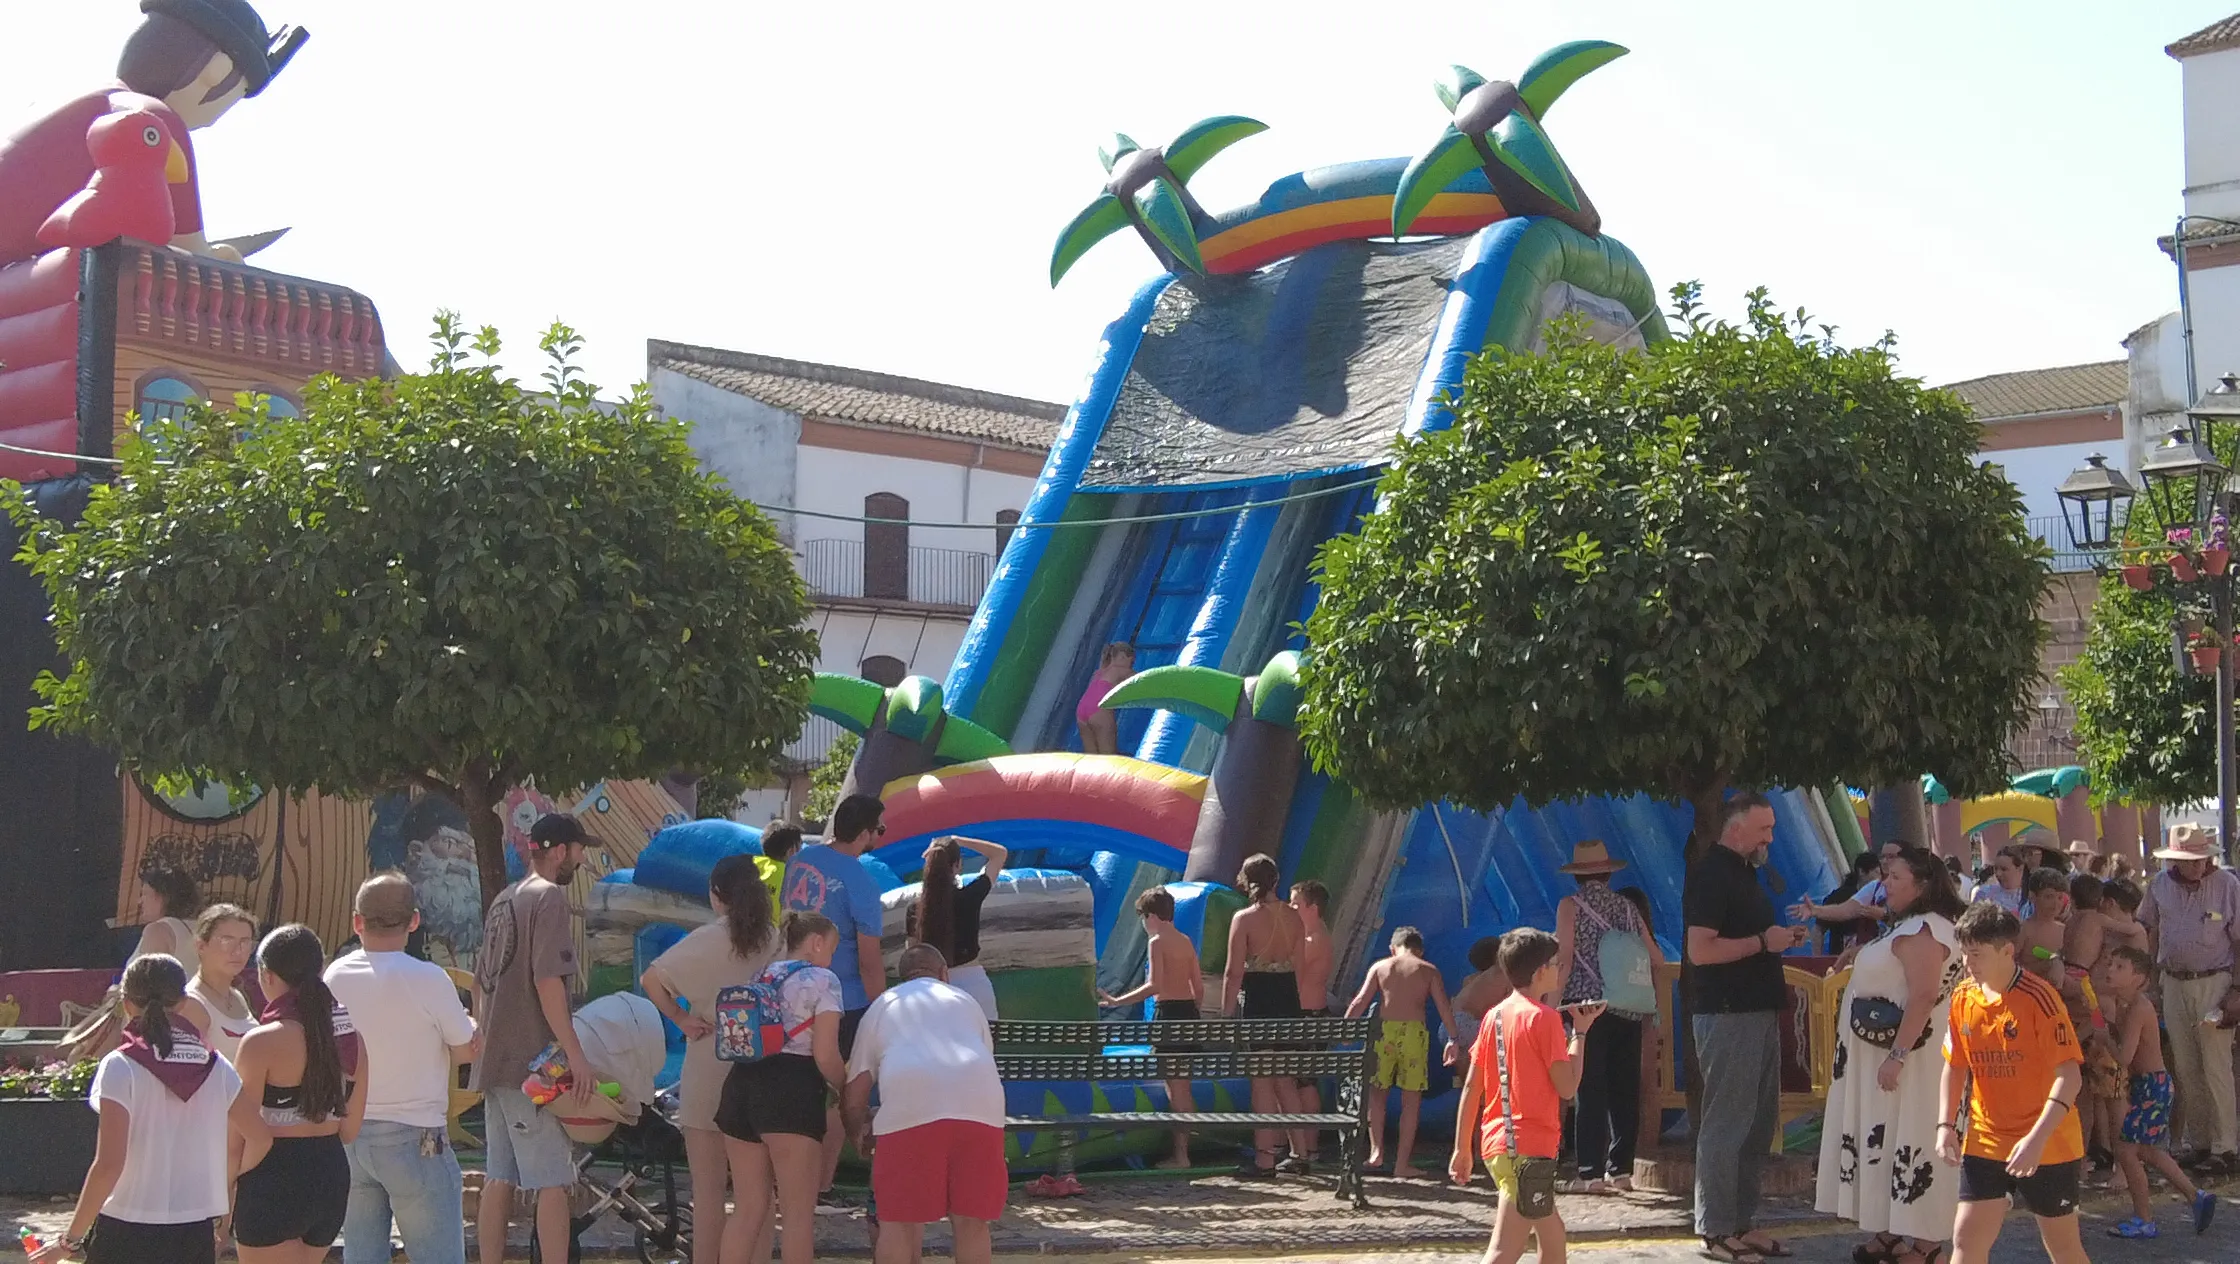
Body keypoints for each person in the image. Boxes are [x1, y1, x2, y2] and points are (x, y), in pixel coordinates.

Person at [0, 0, 305, 270]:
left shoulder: (66, 100)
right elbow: (190, 252)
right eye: (235, 96)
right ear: (217, 71)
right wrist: (218, 257)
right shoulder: (152, 120)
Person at [28, 954, 265, 1264]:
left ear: (126, 1004)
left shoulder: (121, 1066)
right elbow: (260, 1137)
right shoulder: (215, 1065)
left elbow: (109, 1164)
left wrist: (69, 1240)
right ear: (183, 1003)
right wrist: (220, 1181)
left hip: (126, 1226)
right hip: (193, 1228)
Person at [1814, 847, 1965, 1264]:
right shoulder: (1911, 925)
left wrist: (1897, 1055)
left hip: (1911, 1060)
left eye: (1895, 876)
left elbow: (1922, 996)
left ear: (1922, 883)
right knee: (1888, 1136)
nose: (1886, 884)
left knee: (1912, 1138)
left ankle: (1926, 1241)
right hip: (1886, 1055)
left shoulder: (1926, 930)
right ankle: (1894, 1229)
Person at [323, 875, 478, 1264]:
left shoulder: (334, 976)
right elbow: (464, 1053)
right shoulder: (429, 978)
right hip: (416, 1136)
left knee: (361, 1254)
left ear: (357, 922)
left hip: (351, 1135)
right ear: (414, 921)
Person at [473, 813, 606, 1264]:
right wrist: (576, 1056)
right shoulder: (548, 899)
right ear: (558, 850)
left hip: (496, 1060)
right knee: (552, 1180)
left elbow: (480, 983)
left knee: (498, 1176)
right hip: (533, 1067)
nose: (582, 858)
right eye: (578, 849)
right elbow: (549, 982)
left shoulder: (504, 900)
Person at [1684, 792, 1805, 1264]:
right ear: (1736, 830)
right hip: (1728, 1014)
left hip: (1755, 1010)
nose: (1770, 838)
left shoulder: (1742, 872)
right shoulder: (1712, 874)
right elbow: (1701, 951)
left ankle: (1742, 1223)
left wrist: (1773, 942)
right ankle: (1716, 1230)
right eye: (1764, 829)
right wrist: (1763, 941)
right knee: (1727, 1124)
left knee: (1756, 1126)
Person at [643, 854, 781, 1264]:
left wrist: (682, 1018)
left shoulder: (705, 939)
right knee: (759, 1195)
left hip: (708, 1068)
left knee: (707, 1195)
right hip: (764, 1071)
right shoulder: (778, 938)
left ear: (717, 895)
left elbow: (652, 980)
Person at [1936, 903, 2087, 1264]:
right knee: (1966, 1240)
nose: (1968, 963)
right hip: (1986, 1137)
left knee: (2063, 1247)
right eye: (1964, 953)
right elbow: (1954, 1066)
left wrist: (2035, 1141)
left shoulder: (2040, 998)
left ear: (2007, 951)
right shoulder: (1962, 996)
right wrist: (1945, 1125)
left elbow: (2070, 1077)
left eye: (1976, 954)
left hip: (2048, 1141)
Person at [842, 944, 1007, 1264]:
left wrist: (857, 1133)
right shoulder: (968, 1002)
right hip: (981, 1109)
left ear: (900, 979)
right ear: (944, 975)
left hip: (909, 1109)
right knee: (973, 1224)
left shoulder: (884, 1004)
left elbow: (856, 1090)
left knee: (898, 1225)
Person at [1448, 929, 1604, 1264]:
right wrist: (1579, 1034)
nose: (1560, 969)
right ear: (1539, 973)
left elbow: (1473, 1086)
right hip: (1529, 1149)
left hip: (1499, 1145)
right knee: (1505, 1249)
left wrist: (1462, 1147)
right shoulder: (1544, 1019)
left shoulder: (1495, 1016)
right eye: (1555, 964)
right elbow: (1567, 1087)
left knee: (1552, 1233)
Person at [716, 912, 847, 1264]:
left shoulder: (763, 974)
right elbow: (825, 1054)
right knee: (797, 1217)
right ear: (817, 943)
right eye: (831, 949)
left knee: (747, 1209)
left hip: (741, 1086)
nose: (831, 958)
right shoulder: (824, 980)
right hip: (792, 1091)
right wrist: (845, 1085)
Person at [232, 924, 367, 1262]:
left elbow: (238, 1133)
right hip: (330, 1174)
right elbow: (349, 1131)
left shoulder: (261, 1042)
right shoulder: (352, 1039)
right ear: (320, 970)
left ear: (266, 974)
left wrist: (227, 1190)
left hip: (272, 1177)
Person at [782, 793, 890, 1192]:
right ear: (864, 833)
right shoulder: (861, 881)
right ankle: (820, 1185)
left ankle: (795, 1183)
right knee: (838, 1093)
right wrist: (884, 1011)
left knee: (802, 1091)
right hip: (844, 1001)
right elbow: (869, 961)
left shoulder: (800, 863)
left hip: (792, 992)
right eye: (879, 829)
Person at [1553, 839, 1662, 1194]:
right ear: (1607, 872)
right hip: (1628, 1004)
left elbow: (1565, 959)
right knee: (1624, 1089)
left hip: (1587, 1006)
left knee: (1589, 1089)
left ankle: (1590, 1173)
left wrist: (1552, 1006)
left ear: (1578, 875)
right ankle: (1622, 1170)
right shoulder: (1628, 907)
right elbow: (1655, 957)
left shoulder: (1571, 906)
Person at [2137, 824, 2240, 1174]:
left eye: (2200, 859)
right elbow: (2147, 932)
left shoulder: (2227, 885)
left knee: (2216, 1065)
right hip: (2173, 981)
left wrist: (2237, 991)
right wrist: (2148, 983)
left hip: (2215, 980)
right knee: (2185, 1066)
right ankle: (2200, 1143)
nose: (2196, 865)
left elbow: (2239, 940)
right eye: (2188, 860)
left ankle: (2225, 1147)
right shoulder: (2159, 887)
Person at [2097, 946, 2217, 1239]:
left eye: (2121, 967)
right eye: (2111, 964)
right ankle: (2195, 1195)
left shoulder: (2139, 1007)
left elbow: (2124, 1057)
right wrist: (2103, 1023)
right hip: (2146, 1086)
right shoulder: (2124, 1004)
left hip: (2153, 1086)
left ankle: (2145, 1219)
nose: (2111, 969)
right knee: (2149, 1151)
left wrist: (2103, 1039)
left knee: (2126, 1150)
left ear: (2139, 978)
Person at [1098, 887, 1204, 1169]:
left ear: (1152, 916)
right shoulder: (1185, 940)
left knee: (1175, 1088)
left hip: (1168, 1014)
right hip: (1188, 1013)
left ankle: (1180, 1156)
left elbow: (1154, 985)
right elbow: (1198, 986)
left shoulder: (1157, 942)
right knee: (1185, 1087)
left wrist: (1118, 1000)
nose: (1143, 924)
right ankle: (1186, 1151)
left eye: (1143, 917)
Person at [1344, 926, 1459, 1180]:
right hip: (1413, 1035)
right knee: (1411, 1101)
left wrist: (1345, 1029)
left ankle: (1376, 1151)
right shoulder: (1428, 970)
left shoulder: (1380, 966)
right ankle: (1402, 1163)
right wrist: (1453, 1038)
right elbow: (1444, 1008)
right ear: (1420, 949)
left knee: (1377, 1093)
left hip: (1383, 1033)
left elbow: (1359, 1001)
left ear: (1393, 948)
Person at [1223, 853, 1312, 1177]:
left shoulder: (1244, 919)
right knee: (1285, 1080)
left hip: (1259, 999)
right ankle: (1299, 1151)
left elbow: (1233, 973)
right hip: (1288, 997)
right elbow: (1300, 968)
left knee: (1261, 1082)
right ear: (1276, 880)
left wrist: (1226, 1014)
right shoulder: (1294, 918)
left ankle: (1264, 1159)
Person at [911, 835, 1008, 1021]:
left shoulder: (915, 910)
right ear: (957, 865)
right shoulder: (970, 897)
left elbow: (913, 957)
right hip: (974, 987)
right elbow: (999, 854)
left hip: (932, 990)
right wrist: (958, 840)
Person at [177, 903, 258, 1063]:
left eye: (245, 942)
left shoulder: (237, 996)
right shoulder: (192, 1004)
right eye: (227, 941)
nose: (238, 951)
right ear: (201, 946)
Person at [1290, 879, 1336, 1152]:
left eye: (1295, 904)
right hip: (1306, 1014)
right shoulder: (1312, 935)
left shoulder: (1314, 938)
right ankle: (1301, 1143)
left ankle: (1308, 1145)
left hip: (1310, 1016)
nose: (1290, 908)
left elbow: (1291, 967)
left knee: (1305, 1082)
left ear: (1312, 908)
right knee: (1300, 1081)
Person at [1074, 642, 1135, 755]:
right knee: (1108, 756)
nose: (1131, 666)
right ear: (1122, 657)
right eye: (1131, 662)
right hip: (1099, 709)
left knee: (1092, 757)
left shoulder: (1098, 673)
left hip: (1081, 710)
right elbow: (1145, 679)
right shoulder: (1120, 670)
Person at [130, 868, 200, 963]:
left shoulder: (158, 930)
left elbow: (148, 976)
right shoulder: (202, 929)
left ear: (164, 897)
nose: (140, 901)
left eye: (145, 894)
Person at [2016, 869, 2071, 985]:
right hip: (2031, 988)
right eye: (2049, 897)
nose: (2055, 903)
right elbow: (2011, 966)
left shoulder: (2064, 930)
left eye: (2060, 898)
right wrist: (2044, 966)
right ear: (2032, 897)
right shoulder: (2024, 929)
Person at [759, 821, 805, 924]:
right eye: (801, 847)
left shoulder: (753, 868)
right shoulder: (793, 877)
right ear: (791, 851)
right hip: (779, 935)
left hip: (752, 933)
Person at [1971, 847, 2027, 917]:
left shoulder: (2029, 896)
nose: (1998, 873)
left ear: (2020, 869)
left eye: (2004, 869)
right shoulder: (1984, 894)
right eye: (1996, 868)